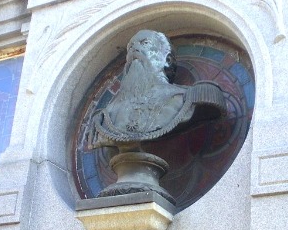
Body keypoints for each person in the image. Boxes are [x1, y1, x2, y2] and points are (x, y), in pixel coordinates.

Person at [84, 30, 226, 149]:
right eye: (130, 47)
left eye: (145, 43)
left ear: (167, 60)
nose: (135, 49)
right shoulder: (104, 119)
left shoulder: (191, 98)